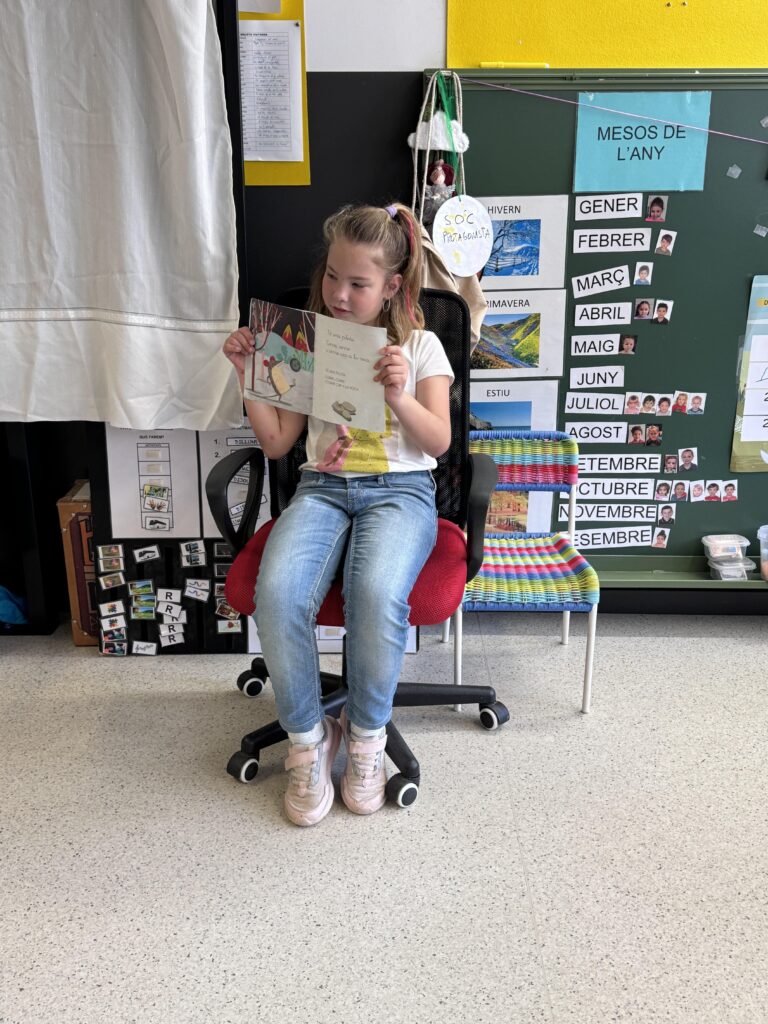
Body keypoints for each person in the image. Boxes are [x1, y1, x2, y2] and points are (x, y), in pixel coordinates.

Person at [222, 202, 453, 826]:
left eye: (358, 283)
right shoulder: (310, 343)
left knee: (375, 592)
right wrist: (249, 375)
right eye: (331, 276)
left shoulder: (422, 346)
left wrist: (398, 395)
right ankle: (307, 739)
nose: (340, 295)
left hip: (400, 491)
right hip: (323, 487)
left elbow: (438, 442)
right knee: (276, 592)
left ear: (392, 286)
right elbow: (277, 443)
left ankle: (367, 737)